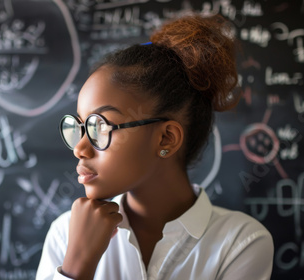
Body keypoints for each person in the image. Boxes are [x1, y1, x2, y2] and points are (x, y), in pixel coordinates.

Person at [36, 14, 274, 280]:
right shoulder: (65, 234)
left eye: (99, 127)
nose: (79, 149)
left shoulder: (240, 243)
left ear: (166, 139)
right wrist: (77, 267)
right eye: (79, 127)